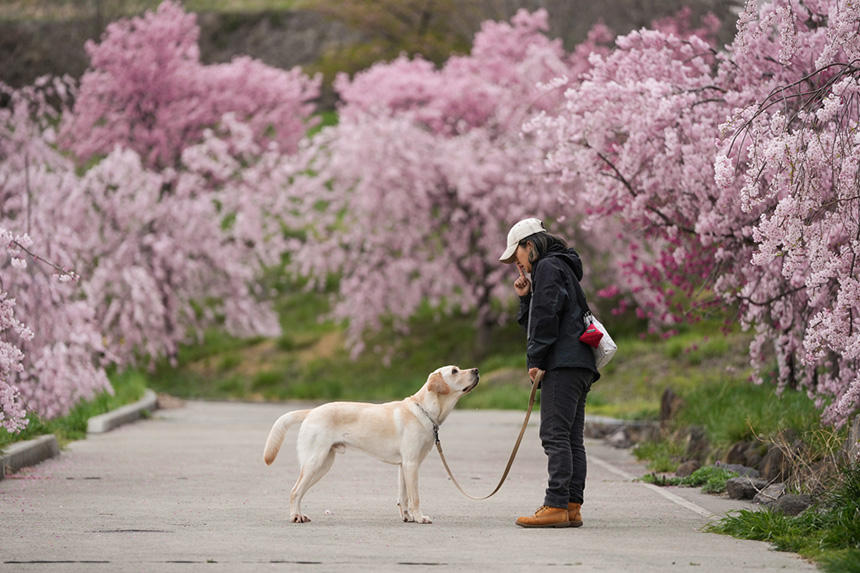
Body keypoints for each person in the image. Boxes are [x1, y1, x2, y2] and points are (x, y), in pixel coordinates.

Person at [499, 217, 599, 528]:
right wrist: (527, 296)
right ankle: (571, 505)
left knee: (554, 436)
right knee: (570, 439)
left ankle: (555, 504)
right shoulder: (563, 267)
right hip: (581, 362)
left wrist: (535, 359)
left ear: (529, 245)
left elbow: (546, 317)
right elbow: (552, 309)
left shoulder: (547, 267)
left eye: (518, 257)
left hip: (563, 363)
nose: (520, 266)